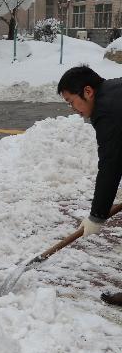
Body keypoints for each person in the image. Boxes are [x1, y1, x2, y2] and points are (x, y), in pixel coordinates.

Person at [57, 66, 122, 306]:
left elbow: (111, 166)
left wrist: (97, 216)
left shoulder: (107, 111)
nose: (73, 109)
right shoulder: (114, 90)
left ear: (88, 91)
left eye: (71, 102)